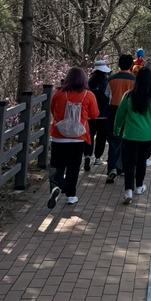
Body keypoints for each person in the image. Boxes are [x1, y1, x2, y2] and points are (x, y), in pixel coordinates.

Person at [48, 67, 99, 209]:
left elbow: (52, 110)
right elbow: (94, 114)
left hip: (58, 136)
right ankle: (71, 195)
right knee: (73, 167)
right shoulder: (89, 95)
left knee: (56, 166)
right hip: (78, 137)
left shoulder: (59, 94)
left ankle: (55, 187)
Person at [113, 67, 151, 204]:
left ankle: (128, 190)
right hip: (146, 136)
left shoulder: (128, 95)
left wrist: (116, 130)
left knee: (129, 163)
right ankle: (139, 186)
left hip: (129, 135)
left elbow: (120, 115)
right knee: (141, 161)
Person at [106, 54, 136, 183]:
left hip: (113, 111)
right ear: (131, 65)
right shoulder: (134, 80)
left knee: (114, 140)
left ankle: (112, 168)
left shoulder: (111, 79)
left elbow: (107, 96)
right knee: (127, 141)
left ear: (119, 64)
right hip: (129, 113)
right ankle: (123, 167)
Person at [84, 59, 112, 170]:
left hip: (90, 114)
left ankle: (87, 155)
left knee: (89, 136)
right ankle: (98, 157)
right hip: (104, 114)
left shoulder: (89, 82)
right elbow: (108, 96)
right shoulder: (107, 82)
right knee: (101, 137)